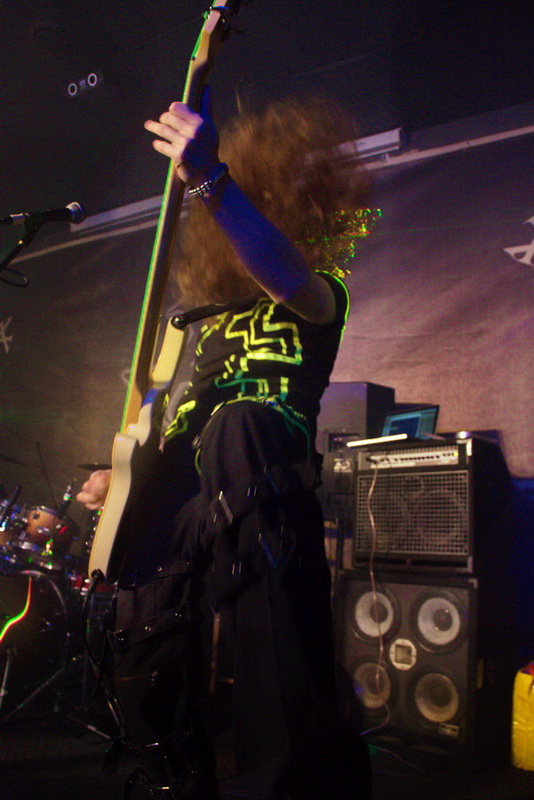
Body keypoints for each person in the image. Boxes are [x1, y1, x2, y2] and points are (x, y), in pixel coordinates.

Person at [78, 89, 373, 800]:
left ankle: (292, 779)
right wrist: (126, 479)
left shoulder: (320, 289)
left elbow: (286, 276)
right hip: (188, 491)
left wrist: (212, 180)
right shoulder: (198, 323)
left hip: (262, 483)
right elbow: (172, 419)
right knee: (139, 635)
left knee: (241, 425)